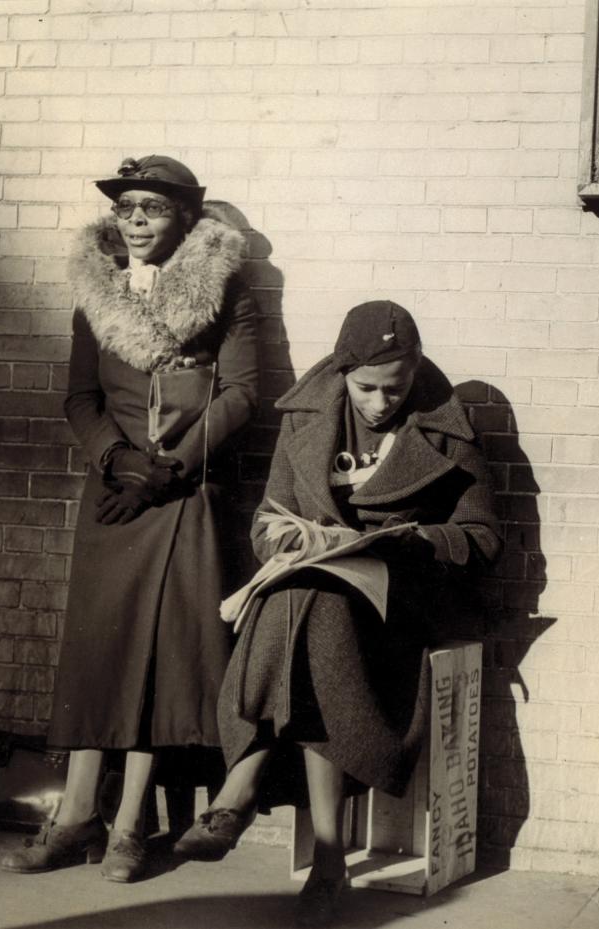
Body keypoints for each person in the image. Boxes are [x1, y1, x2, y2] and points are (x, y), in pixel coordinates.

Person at [171, 300, 501, 927]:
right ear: (344, 372)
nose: (381, 404)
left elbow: (482, 537)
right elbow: (268, 519)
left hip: (406, 600)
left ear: (416, 371)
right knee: (308, 598)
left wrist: (414, 541)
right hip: (323, 601)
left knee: (309, 606)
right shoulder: (308, 417)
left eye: (395, 389)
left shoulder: (445, 425)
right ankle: (328, 860)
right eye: (367, 389)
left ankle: (238, 793)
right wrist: (289, 542)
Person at [0, 155, 259, 882]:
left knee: (160, 659)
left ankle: (126, 826)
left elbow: (240, 395)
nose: (137, 220)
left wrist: (170, 466)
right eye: (126, 208)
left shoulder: (225, 293)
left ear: (184, 218)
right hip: (115, 496)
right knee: (98, 652)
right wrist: (117, 460)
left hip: (182, 497)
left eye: (152, 208)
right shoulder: (97, 294)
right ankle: (76, 813)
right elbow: (80, 399)